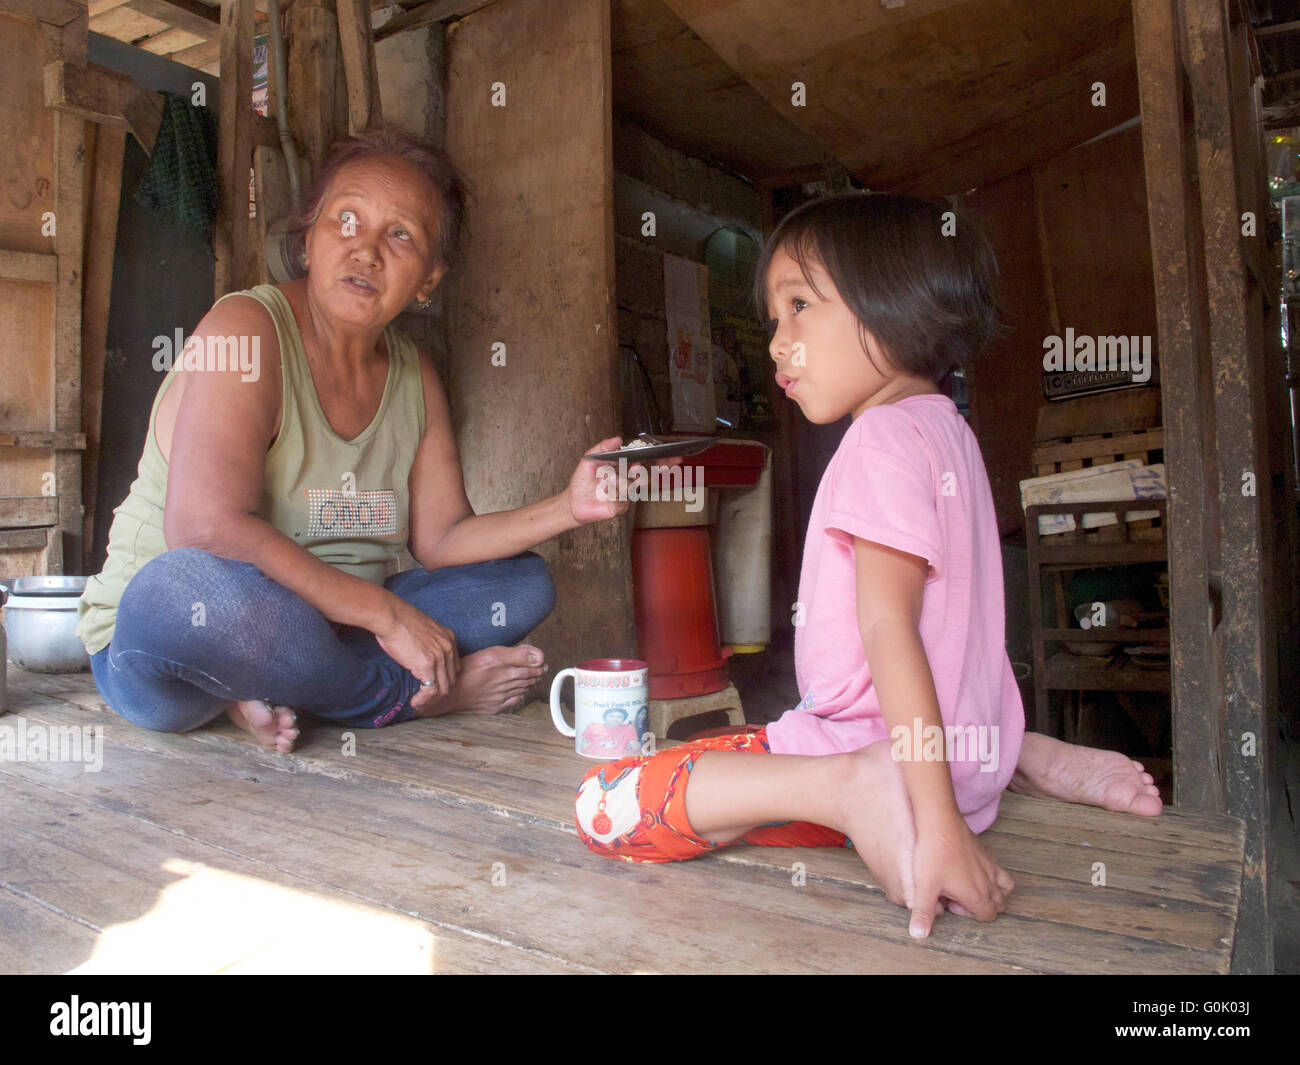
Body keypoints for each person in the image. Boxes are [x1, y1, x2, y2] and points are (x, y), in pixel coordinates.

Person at [574, 192, 1163, 938]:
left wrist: (942, 830)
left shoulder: (878, 442)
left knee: (605, 802)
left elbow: (892, 629)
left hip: (895, 769)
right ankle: (1020, 754)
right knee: (727, 801)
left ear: (891, 306)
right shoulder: (947, 431)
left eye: (799, 307)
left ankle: (851, 787)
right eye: (774, 320)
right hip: (958, 763)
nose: (778, 342)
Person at [77, 126, 636, 753]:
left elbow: (444, 538)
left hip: (321, 632)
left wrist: (568, 506)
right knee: (190, 593)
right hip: (174, 641)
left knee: (522, 585)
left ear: (428, 279)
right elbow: (206, 529)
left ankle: (280, 688)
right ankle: (402, 699)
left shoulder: (414, 376)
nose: (366, 249)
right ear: (309, 238)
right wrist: (387, 615)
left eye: (402, 235)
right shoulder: (246, 332)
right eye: (346, 219)